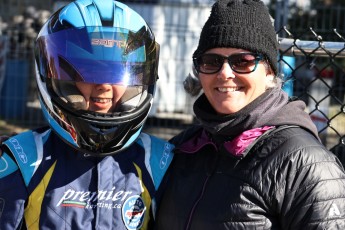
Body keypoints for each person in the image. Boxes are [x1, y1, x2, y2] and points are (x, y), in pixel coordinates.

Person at [154, 0, 345, 229]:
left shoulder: (303, 162)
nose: (225, 73)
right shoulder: (183, 148)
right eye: (212, 61)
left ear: (269, 72)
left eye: (242, 62)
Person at [0, 0, 174, 229]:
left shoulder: (159, 162)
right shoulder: (23, 160)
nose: (103, 85)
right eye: (89, 70)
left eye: (116, 72)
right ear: (58, 79)